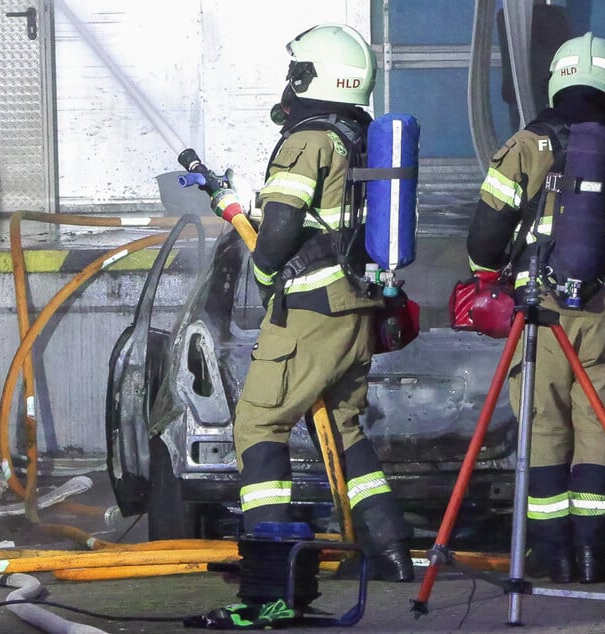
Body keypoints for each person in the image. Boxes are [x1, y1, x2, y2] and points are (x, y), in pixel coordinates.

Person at [465, 32, 605, 584]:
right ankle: (591, 556)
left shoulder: (526, 144)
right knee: (600, 427)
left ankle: (550, 554)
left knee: (543, 423)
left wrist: (492, 274)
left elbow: (485, 236)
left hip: (539, 313)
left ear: (556, 81)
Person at [222, 23, 413, 582]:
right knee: (346, 428)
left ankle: (270, 561)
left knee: (260, 423)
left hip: (309, 310)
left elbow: (279, 229)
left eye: (296, 71)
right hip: (357, 309)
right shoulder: (360, 137)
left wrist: (261, 270)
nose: (290, 82)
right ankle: (391, 553)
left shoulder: (307, 140)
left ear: (315, 76)